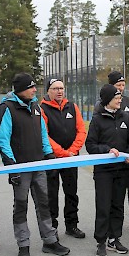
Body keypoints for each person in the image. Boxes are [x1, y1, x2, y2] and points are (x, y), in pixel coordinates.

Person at [0, 72, 70, 256]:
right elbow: (3, 140)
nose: (35, 90)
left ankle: (50, 240)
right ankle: (23, 244)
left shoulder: (36, 107)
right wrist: (11, 167)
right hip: (20, 167)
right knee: (21, 206)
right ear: (21, 90)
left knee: (44, 204)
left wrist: (49, 156)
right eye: (31, 87)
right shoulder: (7, 108)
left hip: (39, 166)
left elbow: (43, 134)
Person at [85, 84, 129, 256]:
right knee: (103, 206)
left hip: (122, 170)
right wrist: (106, 150)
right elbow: (90, 145)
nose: (120, 100)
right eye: (116, 97)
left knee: (118, 206)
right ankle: (101, 241)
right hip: (103, 172)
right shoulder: (97, 120)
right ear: (108, 100)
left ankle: (114, 238)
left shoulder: (125, 117)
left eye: (120, 97)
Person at [93, 71, 129, 232]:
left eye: (123, 85)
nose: (121, 89)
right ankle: (104, 233)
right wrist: (107, 150)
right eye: (118, 86)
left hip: (126, 160)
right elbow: (96, 136)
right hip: (107, 165)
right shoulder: (99, 108)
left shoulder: (127, 102)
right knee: (108, 199)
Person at [40, 78, 86, 239]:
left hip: (71, 158)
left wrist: (73, 151)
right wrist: (63, 153)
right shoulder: (42, 108)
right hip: (53, 159)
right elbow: (44, 135)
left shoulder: (72, 107)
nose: (59, 91)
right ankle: (52, 227)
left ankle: (72, 225)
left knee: (71, 192)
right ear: (48, 91)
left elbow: (81, 130)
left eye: (61, 88)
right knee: (51, 194)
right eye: (55, 88)